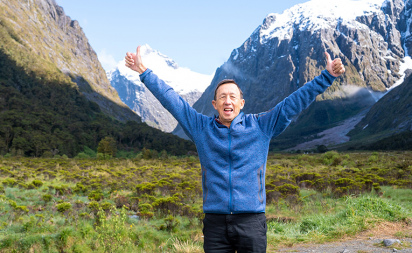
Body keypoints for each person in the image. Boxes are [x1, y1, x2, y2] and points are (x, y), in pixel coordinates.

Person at [125, 46, 345, 253]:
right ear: (214, 104)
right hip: (215, 223)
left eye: (232, 97)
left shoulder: (261, 126)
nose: (227, 101)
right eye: (222, 97)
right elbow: (172, 101)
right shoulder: (201, 128)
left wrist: (327, 76)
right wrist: (143, 72)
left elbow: (293, 103)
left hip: (251, 221)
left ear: (242, 103)